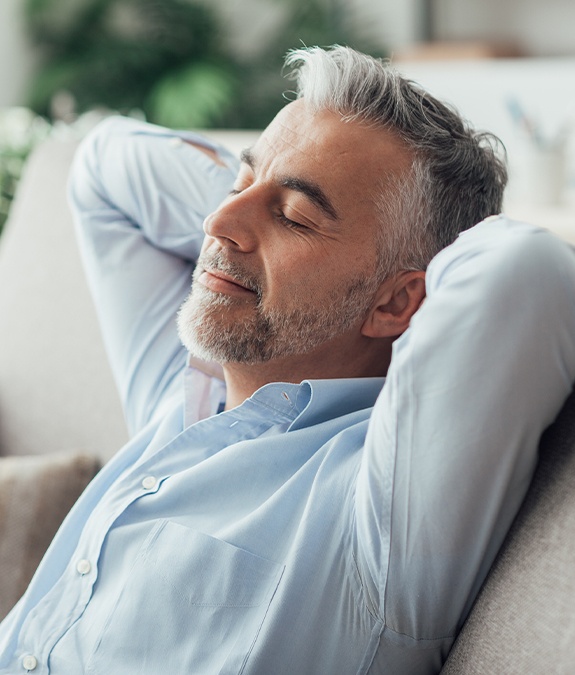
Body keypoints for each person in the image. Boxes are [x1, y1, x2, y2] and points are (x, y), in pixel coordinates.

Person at [1, 46, 575, 674]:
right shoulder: (181, 400)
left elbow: (525, 272)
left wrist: (423, 251)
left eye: (296, 218)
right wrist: (276, 182)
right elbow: (104, 165)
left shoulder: (383, 517)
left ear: (399, 301)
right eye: (235, 186)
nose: (217, 222)